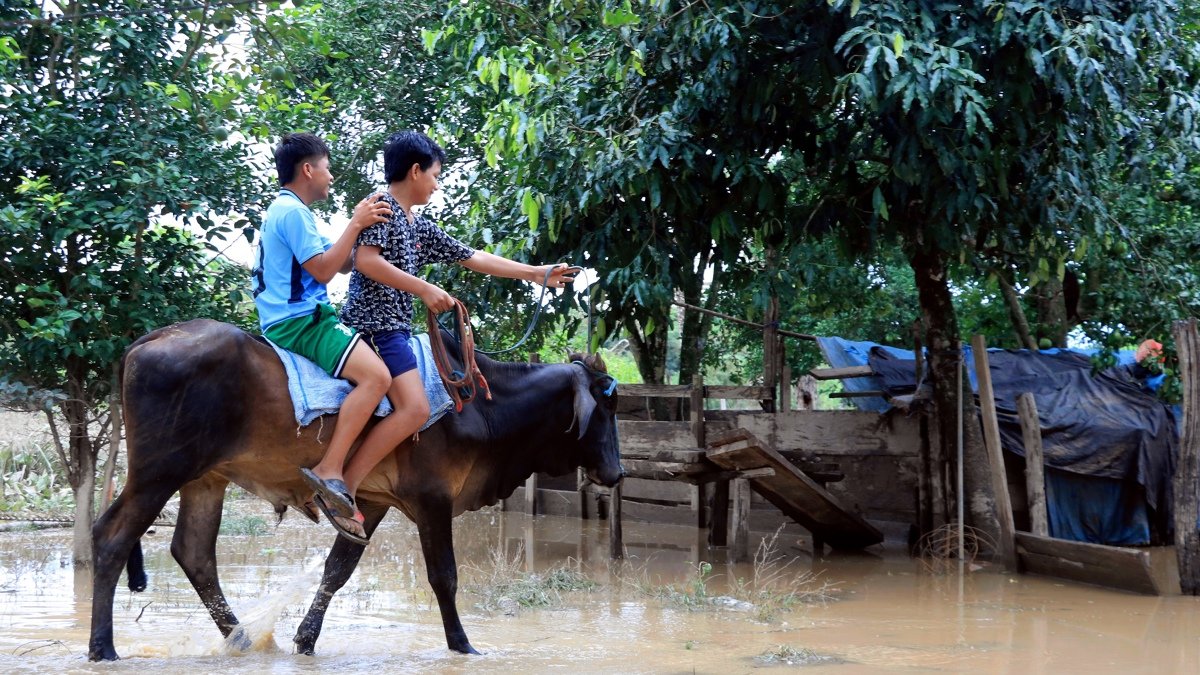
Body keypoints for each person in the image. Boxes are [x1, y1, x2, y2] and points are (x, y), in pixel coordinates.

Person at [336, 130, 575, 510]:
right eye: (435, 175)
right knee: (416, 409)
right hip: (377, 329)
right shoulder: (381, 206)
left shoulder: (417, 224)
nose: (436, 184)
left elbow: (472, 256)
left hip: (395, 329)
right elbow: (366, 262)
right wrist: (424, 289)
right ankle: (345, 485)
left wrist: (534, 272)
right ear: (415, 171)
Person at [252, 132, 403, 544]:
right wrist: (355, 222)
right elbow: (322, 271)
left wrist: (370, 237)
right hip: (301, 320)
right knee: (378, 378)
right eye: (327, 167)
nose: (331, 176)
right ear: (307, 169)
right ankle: (329, 468)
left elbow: (339, 265)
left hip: (291, 317)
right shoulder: (293, 213)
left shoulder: (289, 211)